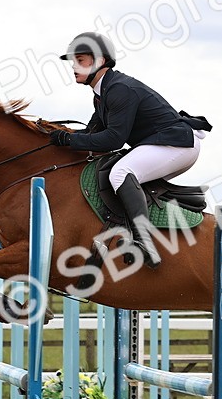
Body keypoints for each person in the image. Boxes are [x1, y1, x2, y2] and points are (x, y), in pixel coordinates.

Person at [49, 32, 209, 268]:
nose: (74, 67)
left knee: (120, 173)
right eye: (74, 61)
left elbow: (113, 139)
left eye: (80, 60)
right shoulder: (102, 93)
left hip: (177, 145)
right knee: (119, 172)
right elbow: (93, 132)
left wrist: (69, 141)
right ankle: (179, 201)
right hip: (164, 144)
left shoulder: (119, 89)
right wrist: (56, 135)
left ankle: (146, 243)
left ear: (101, 61)